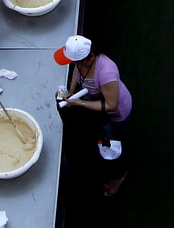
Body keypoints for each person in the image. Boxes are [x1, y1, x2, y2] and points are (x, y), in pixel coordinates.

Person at [55, 35, 133, 196]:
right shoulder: (82, 62)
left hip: (115, 115)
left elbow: (112, 105)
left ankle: (118, 175)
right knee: (100, 139)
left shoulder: (107, 72)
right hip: (97, 108)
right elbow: (77, 71)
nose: (72, 63)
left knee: (110, 147)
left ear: (84, 58)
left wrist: (79, 103)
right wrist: (71, 93)